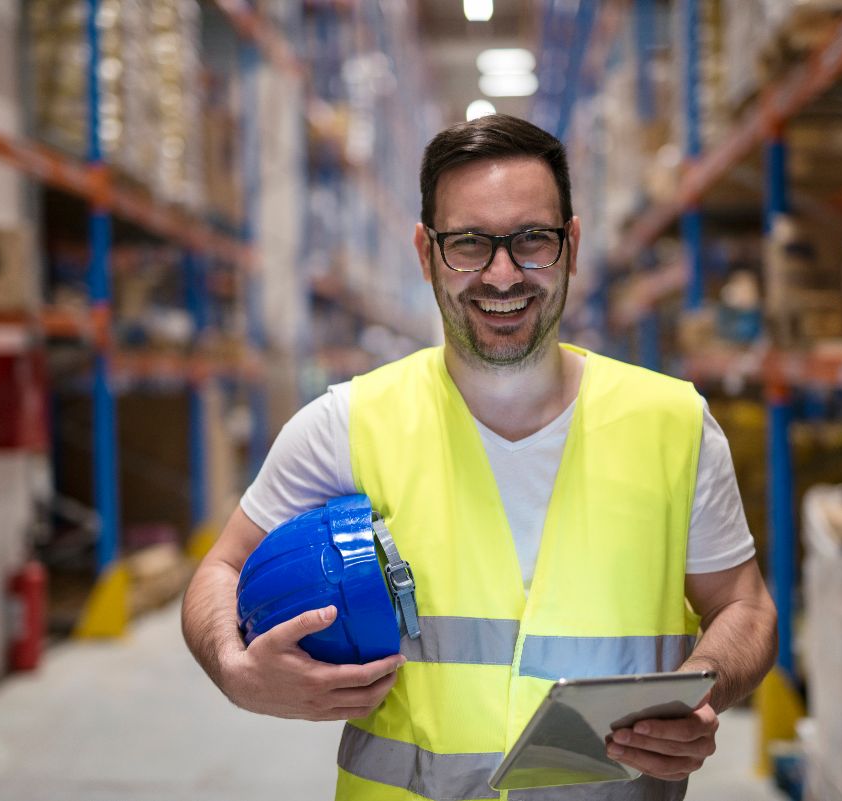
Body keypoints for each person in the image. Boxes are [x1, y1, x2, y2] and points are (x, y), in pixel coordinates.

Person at [182, 114, 777, 801]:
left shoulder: (674, 424)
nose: (502, 275)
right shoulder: (346, 425)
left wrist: (705, 690)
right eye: (468, 244)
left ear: (572, 246)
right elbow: (222, 566)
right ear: (425, 252)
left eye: (532, 240)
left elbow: (744, 605)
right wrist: (234, 665)